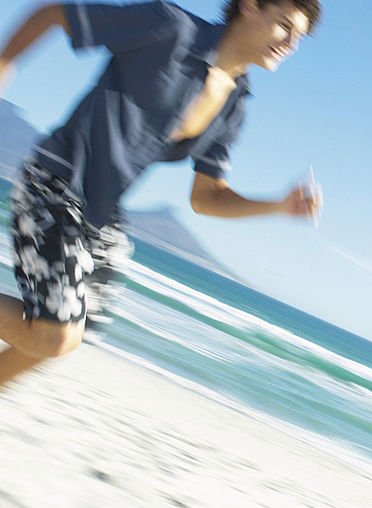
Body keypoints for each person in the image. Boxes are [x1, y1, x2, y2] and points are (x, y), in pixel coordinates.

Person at [0, 0, 322, 387]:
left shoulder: (234, 105)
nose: (291, 43)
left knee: (73, 335)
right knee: (55, 335)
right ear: (251, 7)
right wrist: (5, 62)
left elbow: (206, 197)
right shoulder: (172, 28)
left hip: (102, 214)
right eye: (285, 26)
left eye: (299, 37)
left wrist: (278, 206)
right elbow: (56, 14)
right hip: (55, 185)